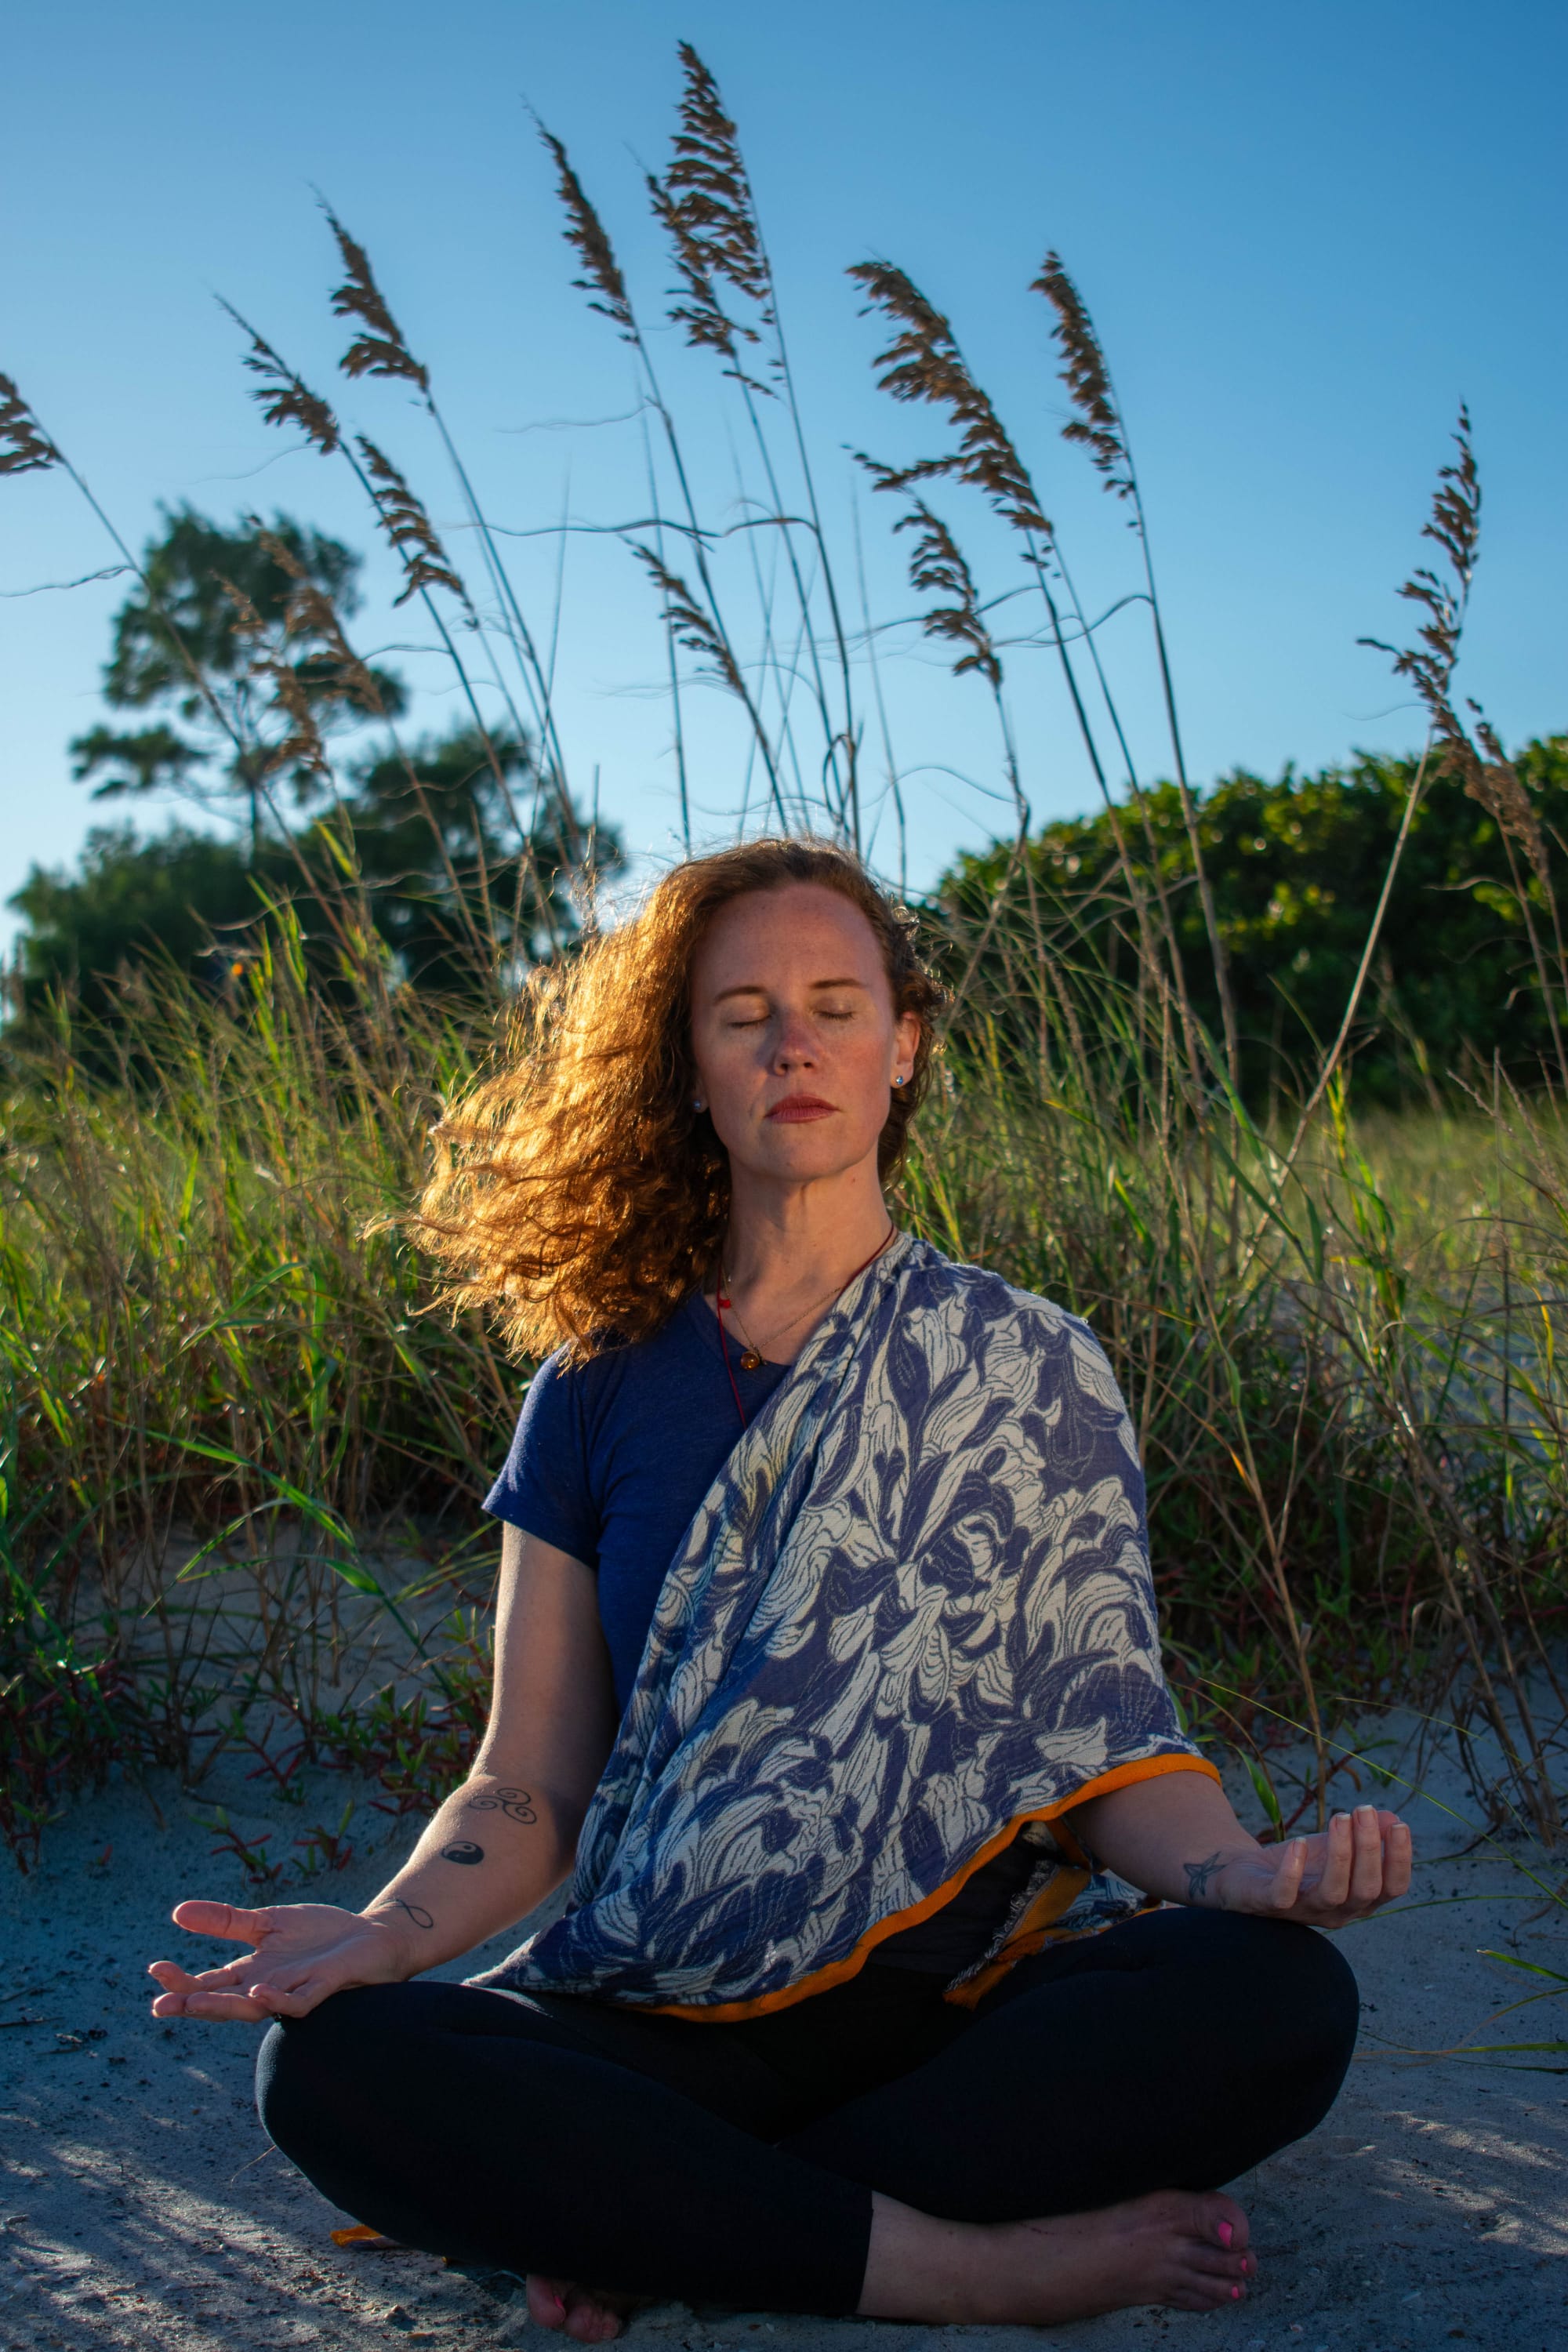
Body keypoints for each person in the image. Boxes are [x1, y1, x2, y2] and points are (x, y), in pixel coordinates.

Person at [148, 839, 1410, 2336]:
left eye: (834, 1004)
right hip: (653, 2002)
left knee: (1273, 2003)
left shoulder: (1031, 1365)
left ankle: (660, 2221)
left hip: (950, 2017)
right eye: (743, 1013)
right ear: (688, 1067)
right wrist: (386, 1932)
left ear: (904, 1046)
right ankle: (967, 2269)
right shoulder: (598, 1382)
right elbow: (526, 1781)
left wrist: (1242, 1878)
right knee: (334, 2067)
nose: (793, 1043)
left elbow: (1108, 1749)